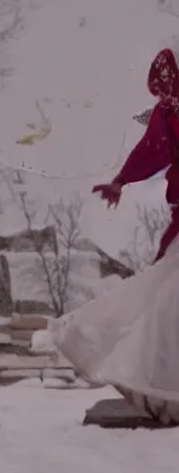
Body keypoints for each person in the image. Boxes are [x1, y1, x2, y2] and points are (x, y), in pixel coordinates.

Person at [49, 48, 179, 425]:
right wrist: (120, 180)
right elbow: (149, 150)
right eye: (163, 93)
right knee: (164, 300)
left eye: (172, 91)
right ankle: (158, 387)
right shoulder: (166, 113)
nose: (169, 100)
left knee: (168, 298)